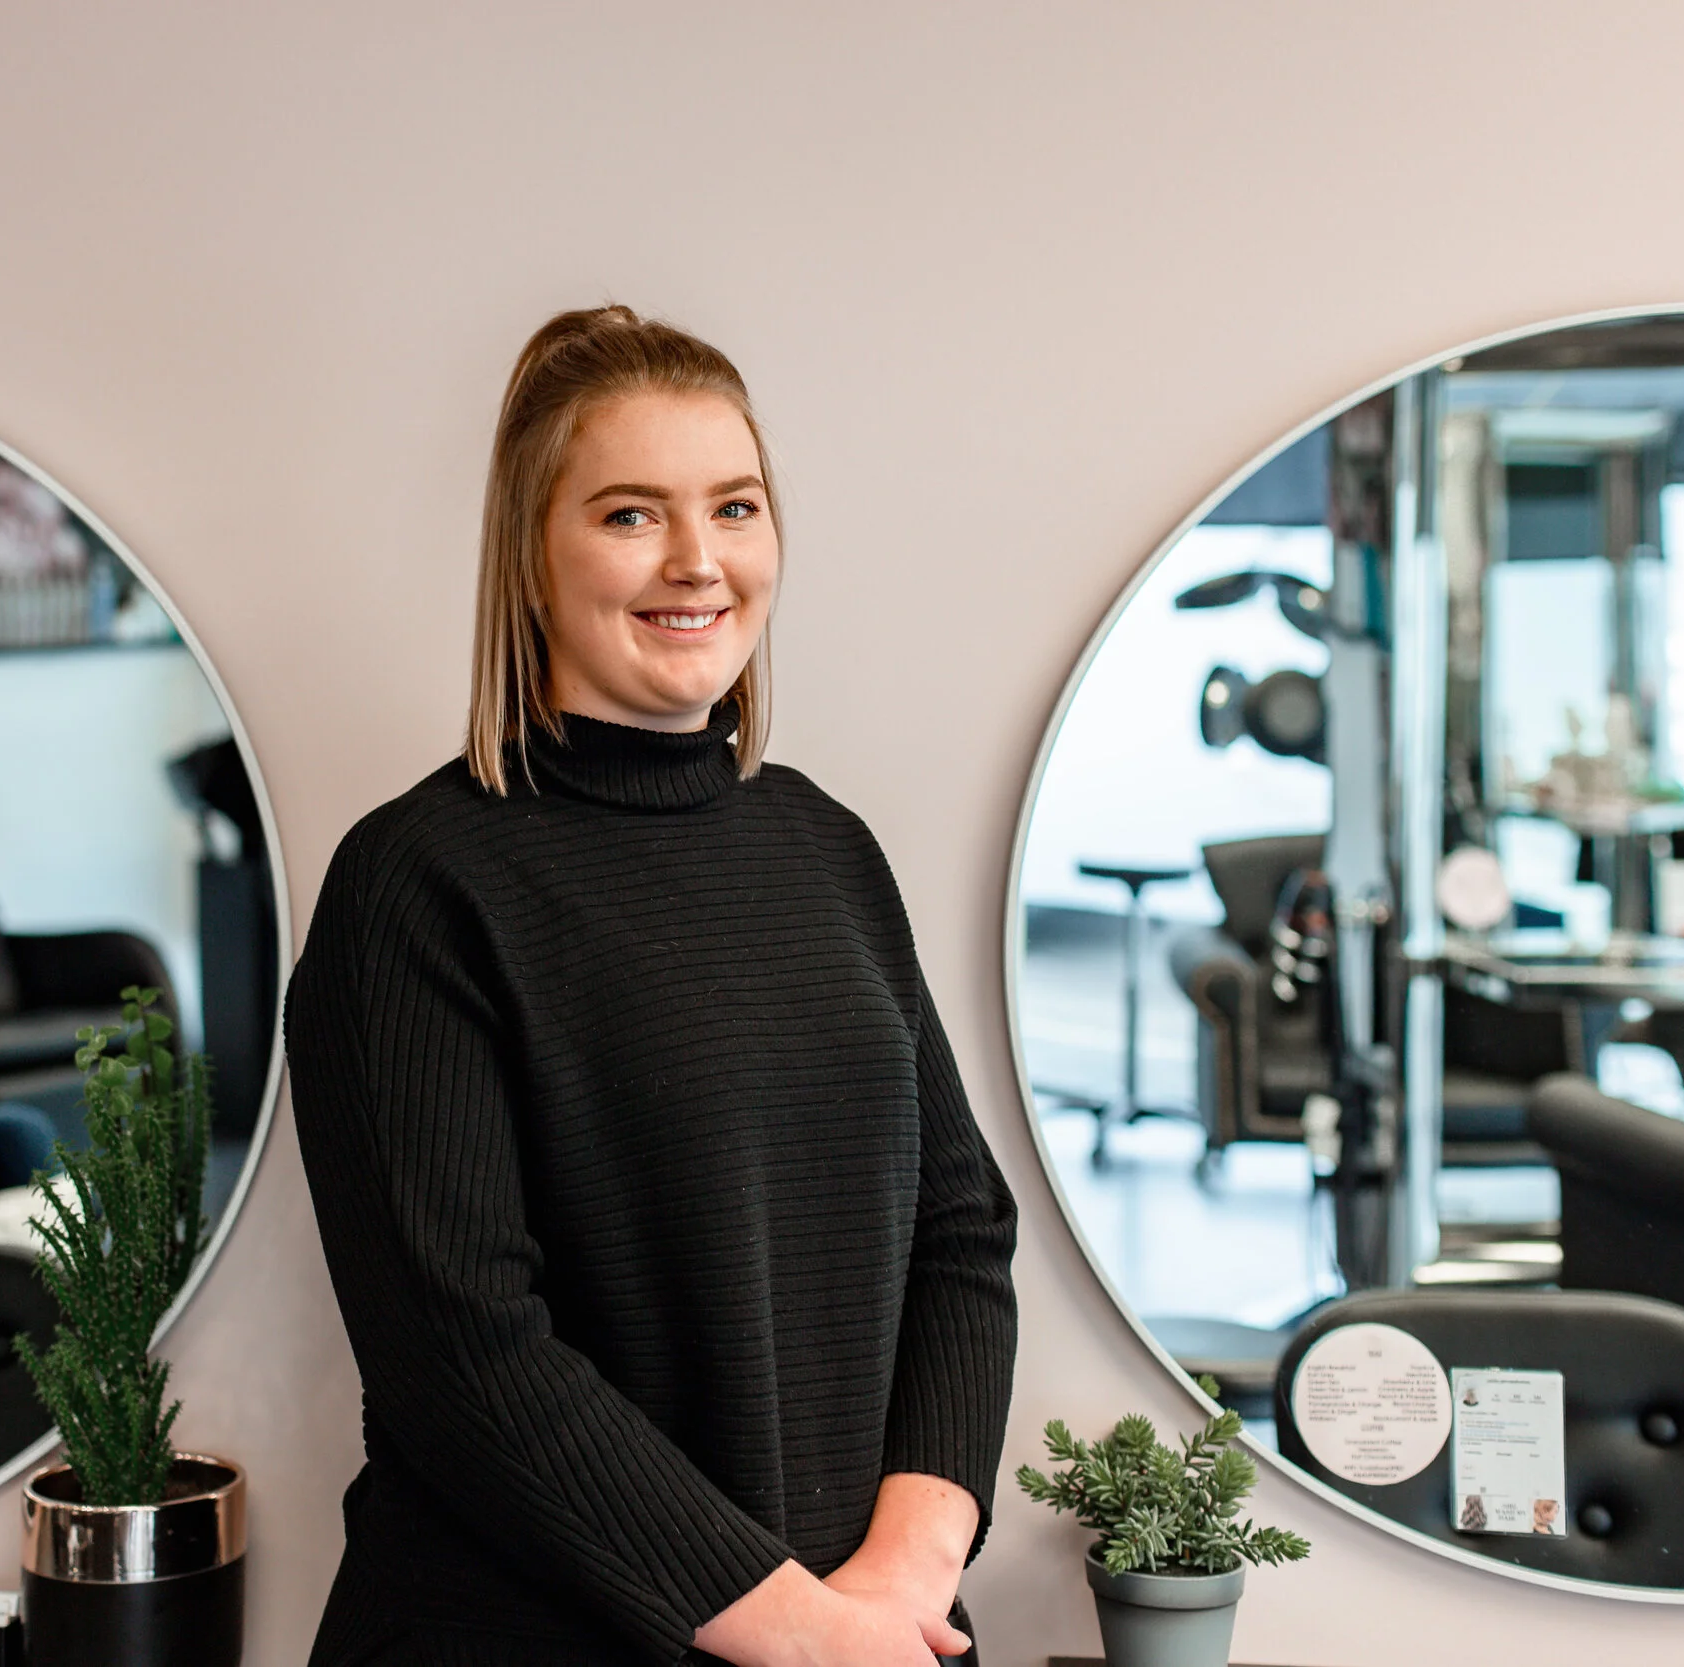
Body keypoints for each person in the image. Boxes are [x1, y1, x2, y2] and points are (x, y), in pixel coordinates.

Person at [288, 305, 1020, 1667]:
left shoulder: (825, 846)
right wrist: (810, 1635)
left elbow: (961, 1235)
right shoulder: (417, 885)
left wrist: (901, 1579)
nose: (698, 559)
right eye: (631, 514)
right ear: (531, 553)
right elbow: (466, 1359)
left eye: (734, 506)